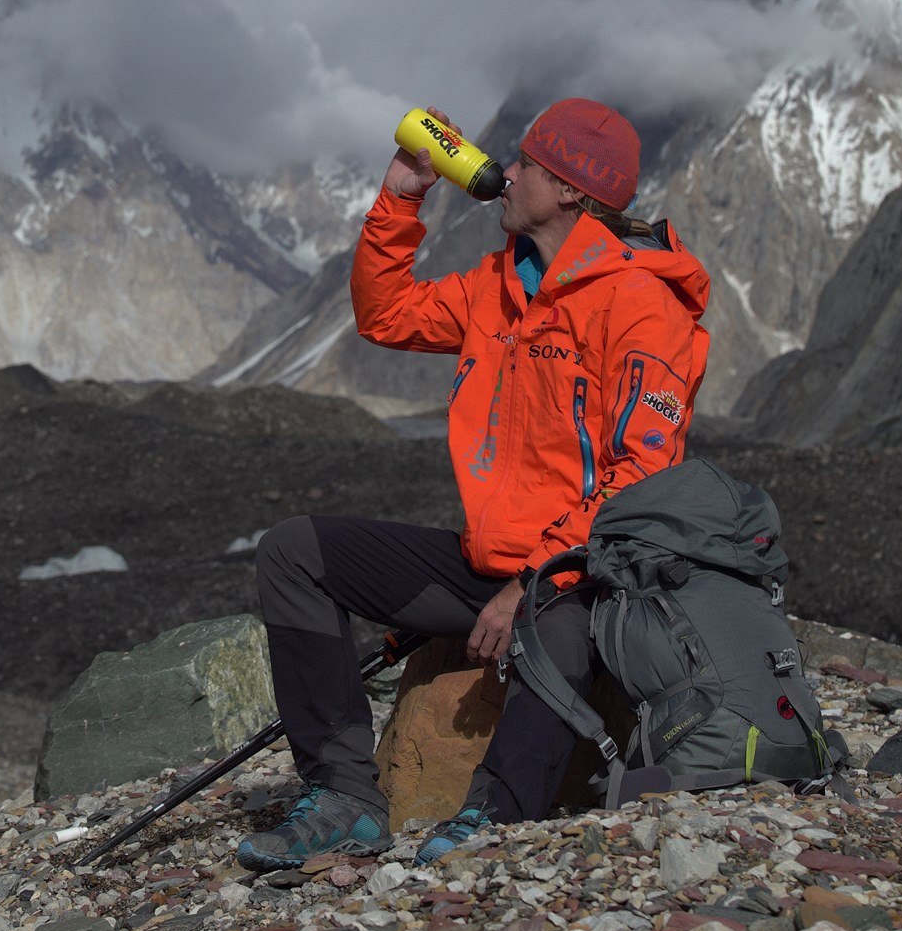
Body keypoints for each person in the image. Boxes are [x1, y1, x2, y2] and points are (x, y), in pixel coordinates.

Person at [238, 98, 711, 871]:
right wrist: (401, 196)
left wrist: (533, 580)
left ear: (570, 189)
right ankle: (343, 798)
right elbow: (386, 315)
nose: (506, 171)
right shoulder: (499, 284)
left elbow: (641, 482)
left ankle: (493, 817)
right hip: (489, 561)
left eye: (527, 163)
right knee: (295, 553)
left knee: (557, 630)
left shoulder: (642, 304)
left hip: (590, 576)